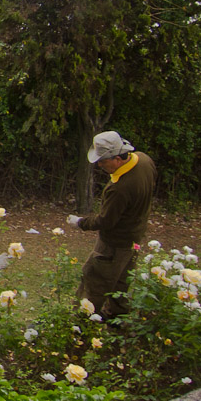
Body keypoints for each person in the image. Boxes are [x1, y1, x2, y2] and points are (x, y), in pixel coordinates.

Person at [67, 130, 157, 319]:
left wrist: (81, 223)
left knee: (94, 282)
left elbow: (105, 221)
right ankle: (116, 323)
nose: (99, 165)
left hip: (114, 245)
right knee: (121, 285)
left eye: (102, 161)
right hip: (134, 239)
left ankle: (80, 325)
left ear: (117, 158)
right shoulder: (144, 161)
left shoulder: (120, 188)